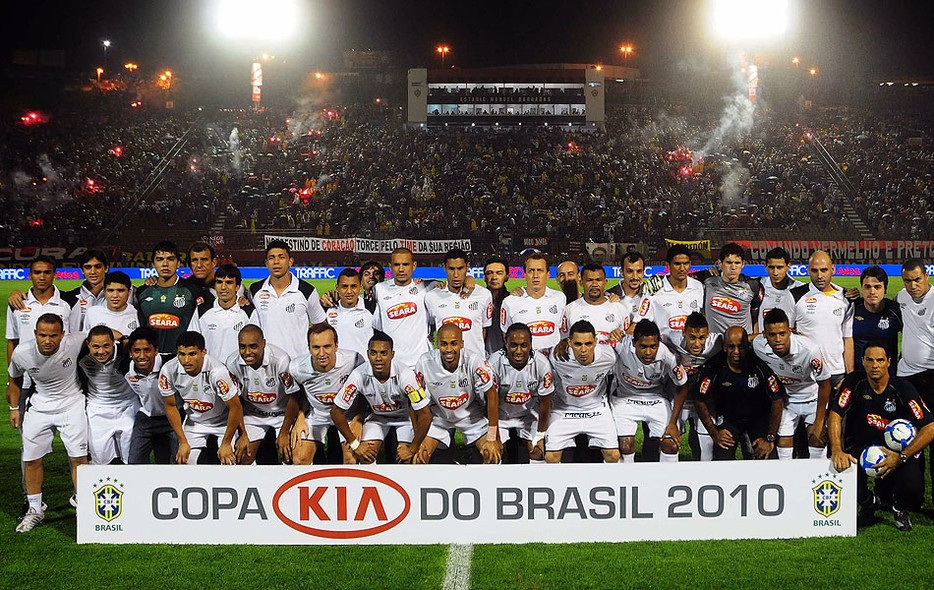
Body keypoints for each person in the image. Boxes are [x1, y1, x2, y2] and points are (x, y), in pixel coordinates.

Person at [830, 342, 934, 531]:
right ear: (863, 361)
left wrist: (901, 457)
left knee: (914, 492)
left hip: (897, 450)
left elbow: (930, 427)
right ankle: (869, 503)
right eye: (869, 360)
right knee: (841, 469)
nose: (874, 365)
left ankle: (899, 508)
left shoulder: (903, 388)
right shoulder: (854, 382)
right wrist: (837, 449)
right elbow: (836, 413)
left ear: (888, 362)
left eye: (880, 360)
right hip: (862, 445)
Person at [6, 314, 88, 533]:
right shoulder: (22, 353)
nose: (48, 340)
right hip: (40, 406)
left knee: (79, 459)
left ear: (62, 335)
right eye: (43, 335)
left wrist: (124, 338)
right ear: (35, 334)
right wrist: (14, 408)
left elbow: (103, 334)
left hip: (72, 404)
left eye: (53, 335)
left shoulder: (74, 341)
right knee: (31, 459)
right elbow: (14, 379)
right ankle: (35, 509)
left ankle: (84, 506)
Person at [331, 331, 433, 464]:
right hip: (378, 417)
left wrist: (413, 448)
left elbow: (426, 415)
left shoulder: (406, 376)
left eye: (384, 353)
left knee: (411, 459)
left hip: (406, 419)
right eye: (373, 353)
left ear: (392, 355)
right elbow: (336, 412)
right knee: (366, 456)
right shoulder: (358, 375)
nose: (378, 358)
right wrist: (355, 444)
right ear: (368, 354)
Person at [413, 324, 502, 464]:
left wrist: (492, 437)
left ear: (462, 344)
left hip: (471, 416)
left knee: (491, 455)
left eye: (454, 343)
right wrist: (417, 437)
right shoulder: (424, 363)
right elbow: (414, 401)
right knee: (419, 457)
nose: (449, 349)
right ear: (437, 344)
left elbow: (492, 395)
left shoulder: (474, 360)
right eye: (444, 344)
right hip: (439, 417)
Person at [694, 326, 785, 461]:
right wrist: (714, 432)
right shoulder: (713, 367)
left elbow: (777, 399)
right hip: (729, 419)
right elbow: (698, 399)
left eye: (741, 347)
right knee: (722, 459)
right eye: (731, 347)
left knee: (766, 455)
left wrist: (770, 438)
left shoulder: (760, 364)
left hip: (758, 418)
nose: (736, 352)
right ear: (724, 347)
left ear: (747, 346)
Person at [753, 309, 831, 460]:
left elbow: (825, 384)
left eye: (782, 333)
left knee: (817, 440)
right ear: (764, 334)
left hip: (813, 399)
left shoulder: (809, 350)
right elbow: (747, 339)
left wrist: (819, 422)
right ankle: (787, 475)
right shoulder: (758, 346)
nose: (778, 339)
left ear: (790, 331)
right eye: (772, 335)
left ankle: (816, 473)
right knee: (783, 443)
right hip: (787, 401)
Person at [609, 319, 689, 463]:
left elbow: (682, 386)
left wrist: (673, 423)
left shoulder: (668, 356)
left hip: (656, 397)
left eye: (653, 346)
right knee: (625, 445)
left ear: (659, 343)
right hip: (625, 397)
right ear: (634, 343)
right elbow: (594, 345)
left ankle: (668, 476)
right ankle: (626, 476)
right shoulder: (620, 345)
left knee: (671, 444)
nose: (648, 352)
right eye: (643, 346)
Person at [160, 331, 244, 465]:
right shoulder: (168, 370)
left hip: (223, 421)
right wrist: (182, 441)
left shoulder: (218, 372)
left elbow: (235, 407)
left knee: (229, 462)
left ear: (203, 352)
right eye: (182, 354)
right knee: (184, 462)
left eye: (192, 354)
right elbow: (170, 406)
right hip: (195, 422)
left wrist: (226, 443)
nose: (186, 360)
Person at [285, 324, 364, 465]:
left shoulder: (354, 361)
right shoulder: (296, 368)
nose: (321, 353)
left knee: (352, 458)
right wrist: (300, 417)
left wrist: (359, 419)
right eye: (316, 347)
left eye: (327, 346)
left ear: (336, 346)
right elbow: (297, 394)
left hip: (348, 416)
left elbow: (364, 392)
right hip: (317, 416)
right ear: (309, 348)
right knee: (299, 459)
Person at [545, 320, 620, 463]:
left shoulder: (609, 357)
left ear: (596, 342)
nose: (583, 350)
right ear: (569, 342)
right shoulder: (557, 357)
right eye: (578, 344)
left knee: (613, 456)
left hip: (596, 409)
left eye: (588, 344)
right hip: (564, 409)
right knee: (551, 457)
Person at [226, 325, 298, 465]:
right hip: (253, 415)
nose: (247, 352)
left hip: (283, 414)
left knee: (291, 455)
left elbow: (294, 397)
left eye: (253, 346)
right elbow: (236, 403)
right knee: (241, 457)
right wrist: (243, 434)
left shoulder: (281, 360)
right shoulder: (232, 363)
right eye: (242, 347)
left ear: (263, 343)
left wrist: (284, 432)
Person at [895, 258, 934, 501]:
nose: (912, 286)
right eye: (907, 281)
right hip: (907, 379)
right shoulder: (901, 297)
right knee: (907, 436)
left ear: (927, 276)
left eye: (917, 280)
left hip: (931, 379)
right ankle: (912, 496)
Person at [248, 240, 327, 359]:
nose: (276, 262)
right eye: (271, 258)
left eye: (281, 257)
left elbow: (320, 325)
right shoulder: (255, 290)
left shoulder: (307, 291)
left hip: (298, 362)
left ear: (290, 261)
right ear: (266, 263)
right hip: (267, 362)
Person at [488, 323, 555, 463]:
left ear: (530, 344)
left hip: (528, 416)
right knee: (491, 454)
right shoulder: (493, 363)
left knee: (538, 452)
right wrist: (493, 436)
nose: (518, 351)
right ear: (506, 344)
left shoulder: (542, 364)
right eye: (514, 345)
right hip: (500, 417)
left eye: (524, 345)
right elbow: (491, 401)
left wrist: (540, 435)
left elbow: (545, 403)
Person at [788, 250, 854, 387]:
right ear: (808, 270)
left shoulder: (846, 298)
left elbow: (847, 339)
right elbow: (787, 332)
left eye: (824, 270)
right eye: (814, 270)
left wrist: (850, 376)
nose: (819, 276)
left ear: (833, 269)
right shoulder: (795, 296)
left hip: (837, 372)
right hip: (807, 371)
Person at [135, 241, 211, 356]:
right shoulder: (142, 292)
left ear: (178, 263)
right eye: (160, 259)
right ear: (153, 264)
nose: (165, 264)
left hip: (182, 357)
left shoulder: (193, 290)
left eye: (170, 259)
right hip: (151, 358)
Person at [664, 312, 722, 461]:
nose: (696, 344)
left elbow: (740, 338)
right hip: (678, 399)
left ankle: (705, 473)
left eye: (701, 338)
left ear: (708, 335)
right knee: (669, 441)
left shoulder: (716, 342)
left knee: (707, 443)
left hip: (703, 400)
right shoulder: (670, 337)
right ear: (683, 333)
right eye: (692, 337)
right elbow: (648, 337)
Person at [78, 326, 138, 465]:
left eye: (106, 346)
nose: (101, 351)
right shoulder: (79, 354)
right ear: (88, 344)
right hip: (97, 409)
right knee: (99, 459)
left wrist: (123, 338)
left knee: (132, 458)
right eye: (96, 347)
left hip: (128, 406)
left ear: (113, 343)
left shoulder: (125, 350)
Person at [6, 257, 74, 367]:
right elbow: (12, 341)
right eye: (37, 272)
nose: (42, 277)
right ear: (30, 275)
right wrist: (12, 374)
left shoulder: (69, 302)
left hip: (60, 370)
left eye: (47, 272)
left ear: (55, 275)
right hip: (27, 371)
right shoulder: (16, 303)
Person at [426, 248, 493, 357]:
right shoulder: (432, 297)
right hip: (446, 361)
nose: (456, 274)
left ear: (467, 267)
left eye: (460, 268)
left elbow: (483, 329)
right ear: (444, 268)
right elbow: (431, 328)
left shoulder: (484, 295)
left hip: (475, 361)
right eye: (451, 269)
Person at [125, 327, 177, 464]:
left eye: (147, 350)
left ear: (156, 351)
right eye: (137, 351)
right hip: (146, 418)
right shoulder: (124, 366)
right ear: (130, 353)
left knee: (181, 460)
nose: (142, 356)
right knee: (134, 463)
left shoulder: (172, 363)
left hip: (175, 418)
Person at [373, 248, 432, 368]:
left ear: (414, 266)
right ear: (390, 266)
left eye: (405, 264)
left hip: (421, 363)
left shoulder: (425, 288)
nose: (401, 269)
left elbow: (452, 286)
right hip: (392, 364)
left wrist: (469, 280)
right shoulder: (379, 289)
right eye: (396, 265)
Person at [188, 264, 260, 364]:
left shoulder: (249, 312)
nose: (223, 287)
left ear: (237, 287)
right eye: (219, 282)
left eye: (229, 282)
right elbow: (192, 342)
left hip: (239, 370)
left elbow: (256, 344)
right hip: (210, 370)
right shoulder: (202, 311)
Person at [635, 244, 704, 343]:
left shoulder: (699, 288)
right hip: (665, 348)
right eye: (677, 264)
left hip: (693, 347)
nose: (682, 268)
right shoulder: (654, 290)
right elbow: (639, 322)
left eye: (685, 263)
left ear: (690, 264)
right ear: (667, 265)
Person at [500, 253, 566, 355]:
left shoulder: (559, 298)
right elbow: (506, 334)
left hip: (554, 360)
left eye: (540, 270)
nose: (535, 275)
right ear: (525, 275)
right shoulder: (510, 302)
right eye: (531, 271)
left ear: (548, 275)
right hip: (525, 360)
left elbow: (560, 328)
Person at [702, 242, 764, 334]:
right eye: (729, 262)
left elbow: (755, 317)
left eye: (737, 263)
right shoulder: (707, 280)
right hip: (714, 341)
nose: (733, 267)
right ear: (720, 263)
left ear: (743, 264)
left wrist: (754, 339)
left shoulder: (753, 286)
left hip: (741, 341)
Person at [562, 263, 627, 345]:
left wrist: (621, 334)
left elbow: (627, 341)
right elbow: (564, 341)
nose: (594, 284)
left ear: (605, 282)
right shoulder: (569, 310)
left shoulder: (620, 309)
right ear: (581, 282)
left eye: (598, 280)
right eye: (589, 280)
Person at [852, 265, 901, 364]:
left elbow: (913, 336)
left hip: (888, 372)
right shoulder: (852, 308)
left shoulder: (895, 310)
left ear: (885, 289)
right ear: (861, 288)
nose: (872, 292)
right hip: (859, 372)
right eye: (867, 287)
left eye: (877, 287)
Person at [324, 268, 376, 358]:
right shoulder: (328, 310)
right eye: (344, 286)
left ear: (360, 287)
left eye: (353, 286)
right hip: (337, 365)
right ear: (337, 288)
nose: (349, 291)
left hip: (363, 365)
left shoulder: (372, 308)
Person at [84, 271, 139, 337]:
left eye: (120, 291)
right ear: (104, 292)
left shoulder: (137, 314)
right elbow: (85, 338)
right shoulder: (92, 313)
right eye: (110, 290)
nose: (115, 295)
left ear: (129, 292)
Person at [757, 247, 797, 331]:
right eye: (771, 267)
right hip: (762, 338)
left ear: (788, 266)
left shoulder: (799, 289)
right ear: (766, 266)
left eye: (779, 267)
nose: (775, 272)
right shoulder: (758, 286)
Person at [482, 256, 509, 356]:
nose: (494, 277)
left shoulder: (512, 301)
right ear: (484, 277)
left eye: (499, 273)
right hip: (481, 357)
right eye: (489, 273)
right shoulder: (477, 301)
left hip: (507, 358)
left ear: (507, 277)